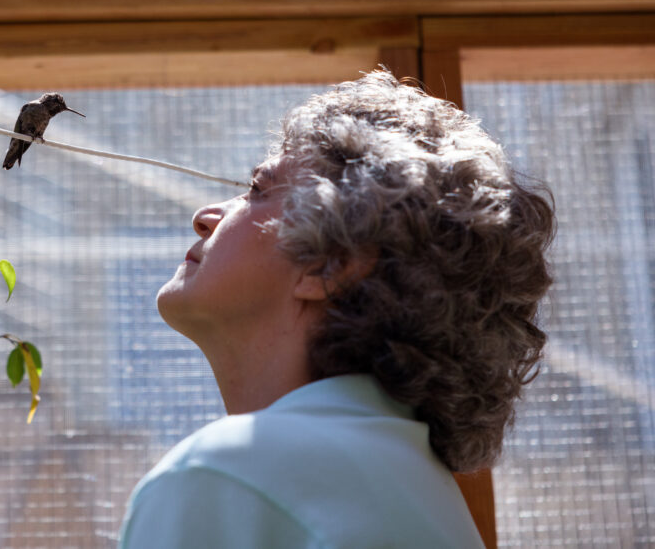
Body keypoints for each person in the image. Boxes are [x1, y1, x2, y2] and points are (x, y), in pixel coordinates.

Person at [118, 70, 555, 548]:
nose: (204, 217)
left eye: (259, 189)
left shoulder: (226, 477)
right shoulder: (430, 500)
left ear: (329, 265)